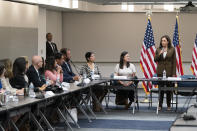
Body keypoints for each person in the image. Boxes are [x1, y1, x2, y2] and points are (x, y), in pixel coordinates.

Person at [154, 35, 176, 111]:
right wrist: (160, 53)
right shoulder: (158, 49)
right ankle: (160, 105)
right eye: (162, 40)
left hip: (169, 72)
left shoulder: (172, 49)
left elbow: (174, 62)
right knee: (161, 89)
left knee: (169, 89)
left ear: (168, 41)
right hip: (160, 72)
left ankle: (168, 105)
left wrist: (173, 73)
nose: (162, 42)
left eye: (164, 40)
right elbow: (155, 59)